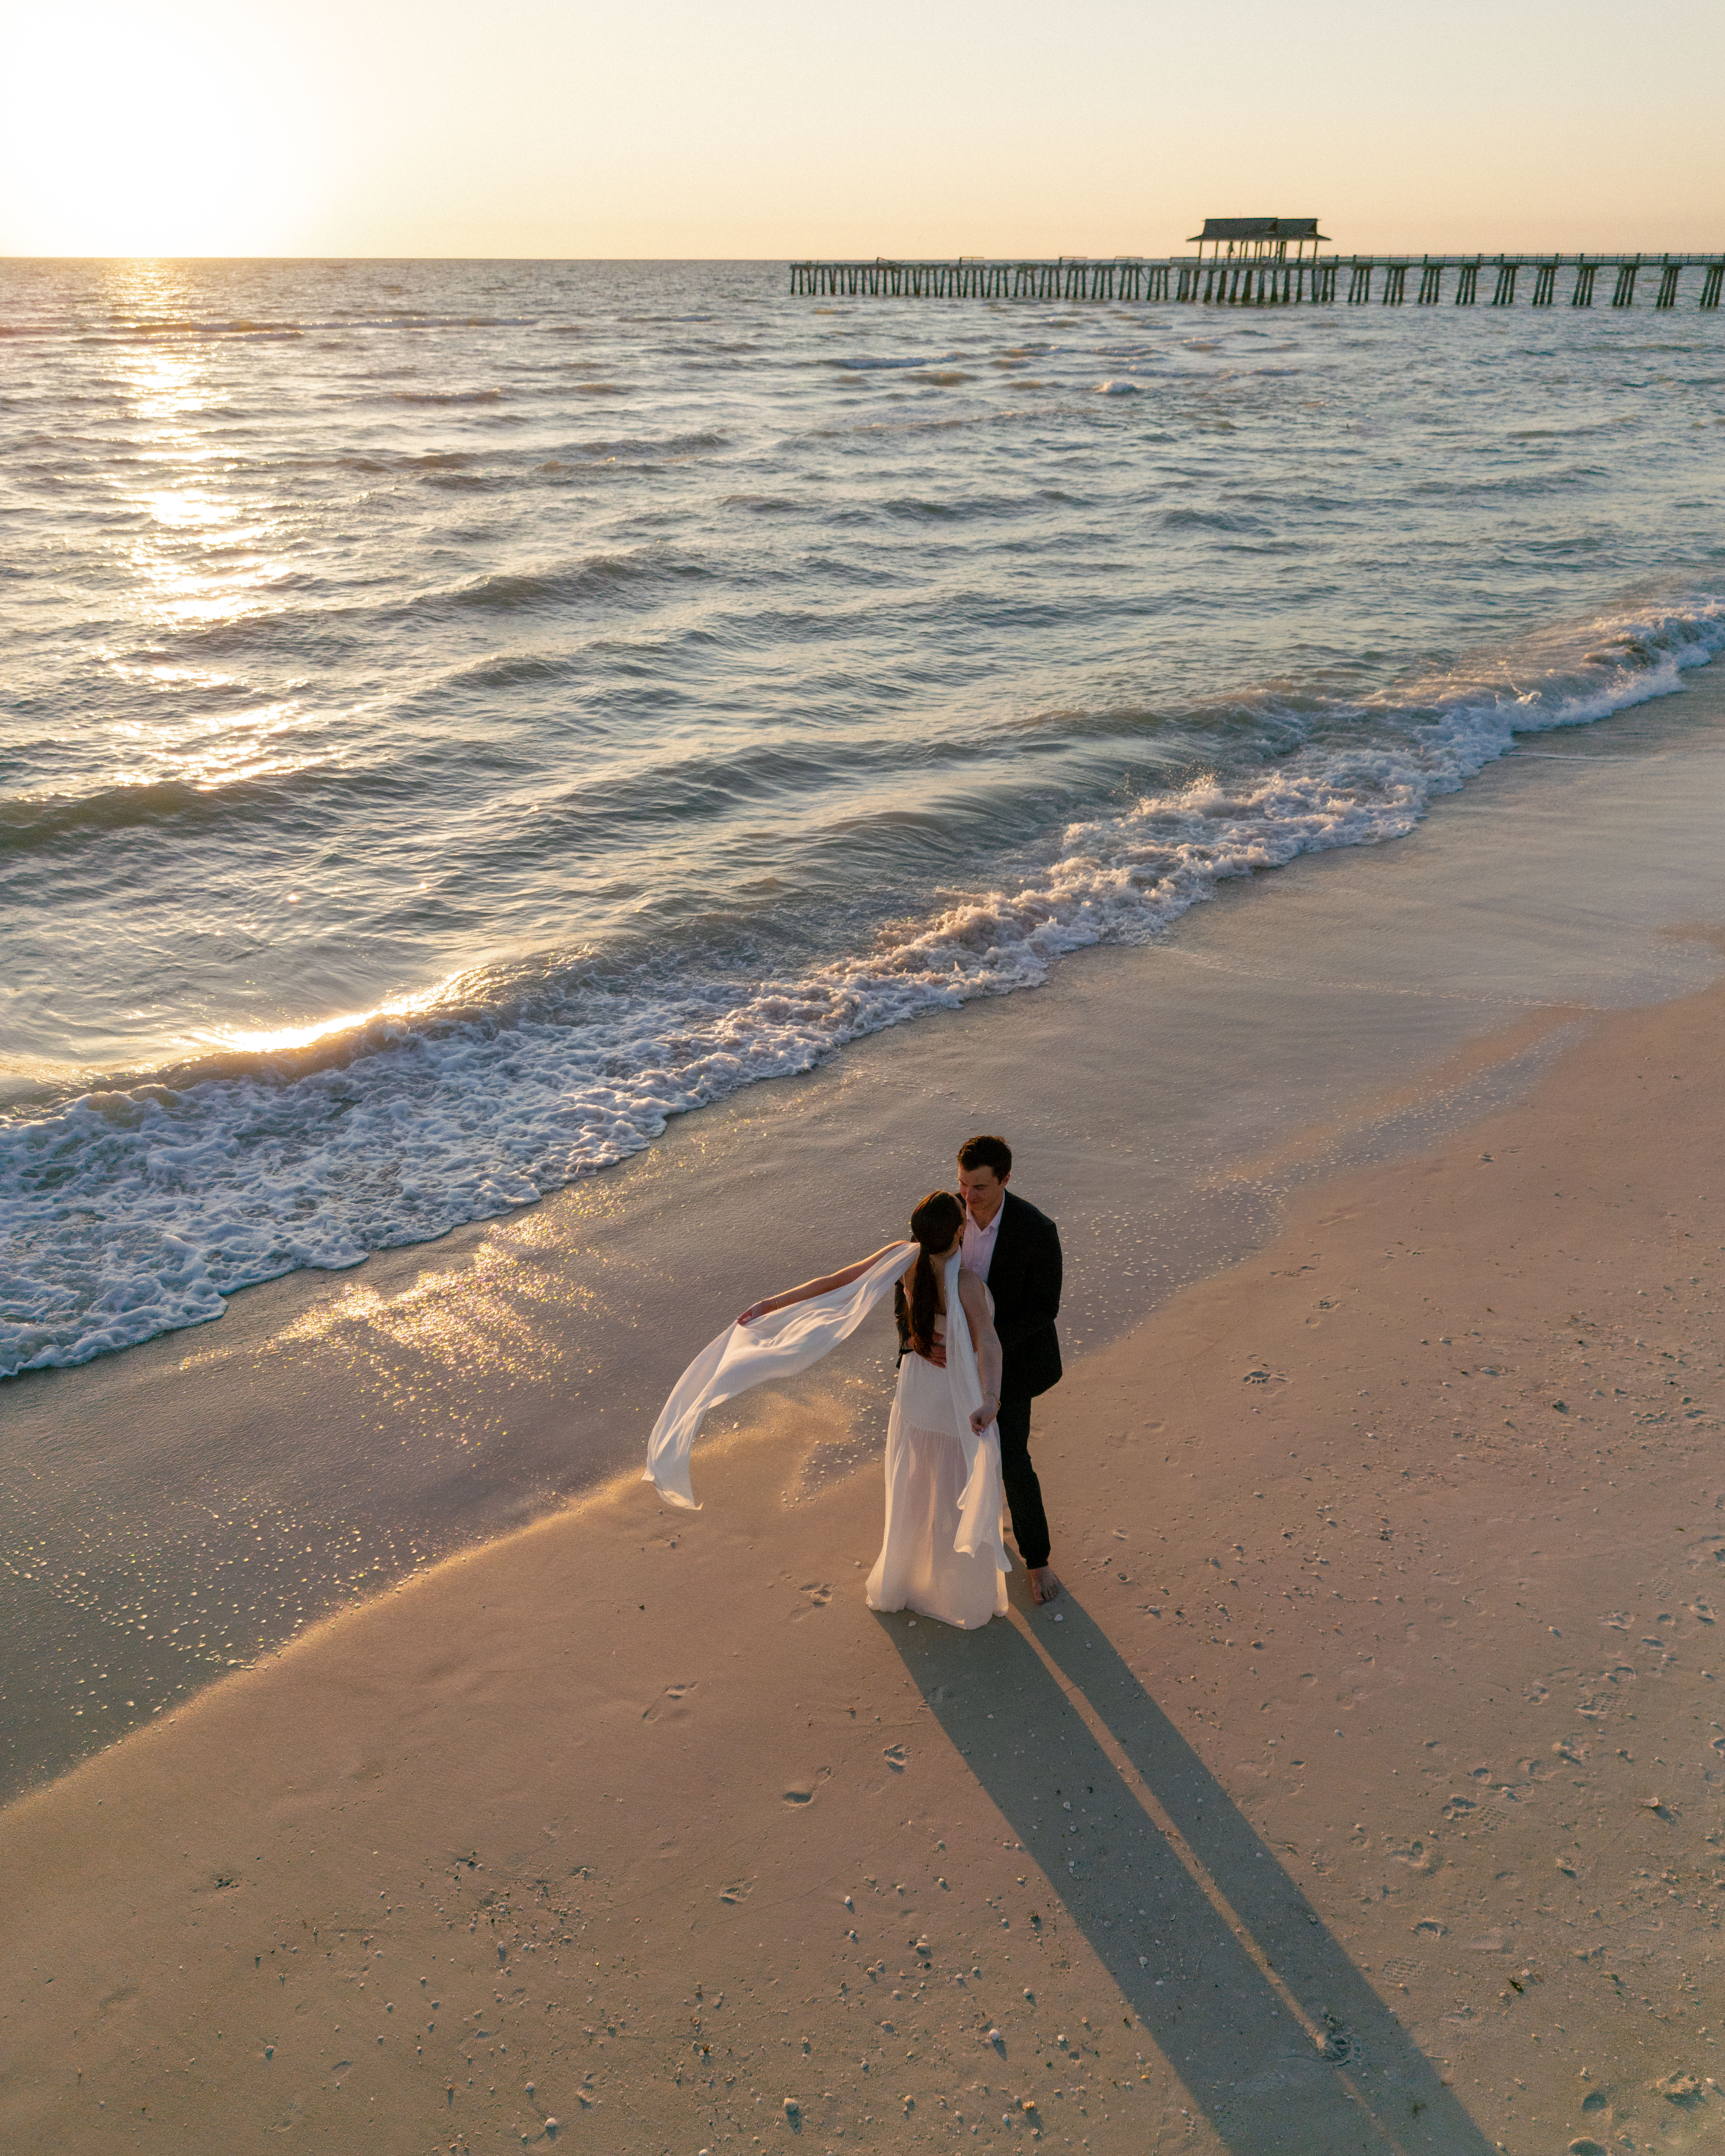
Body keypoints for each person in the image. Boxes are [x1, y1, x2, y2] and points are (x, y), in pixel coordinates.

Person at [643, 1192, 1011, 1630]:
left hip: (917, 1393)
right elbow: (989, 1343)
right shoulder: (966, 1283)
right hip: (952, 1395)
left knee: (914, 1488)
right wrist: (990, 1399)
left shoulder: (904, 1259)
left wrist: (769, 1305)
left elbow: (835, 1282)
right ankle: (959, 1592)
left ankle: (905, 1580)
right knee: (956, 1491)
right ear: (960, 1231)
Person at [905, 1136, 1062, 1604]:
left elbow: (1044, 1309)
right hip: (942, 1366)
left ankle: (1037, 1560)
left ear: (1005, 1179)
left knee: (1011, 1460)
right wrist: (914, 1338)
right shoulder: (944, 1215)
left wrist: (978, 1342)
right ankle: (961, 1543)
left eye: (978, 1187)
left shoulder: (1036, 1230)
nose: (967, 1196)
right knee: (948, 1456)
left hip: (1007, 1362)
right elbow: (909, 1279)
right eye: (962, 1184)